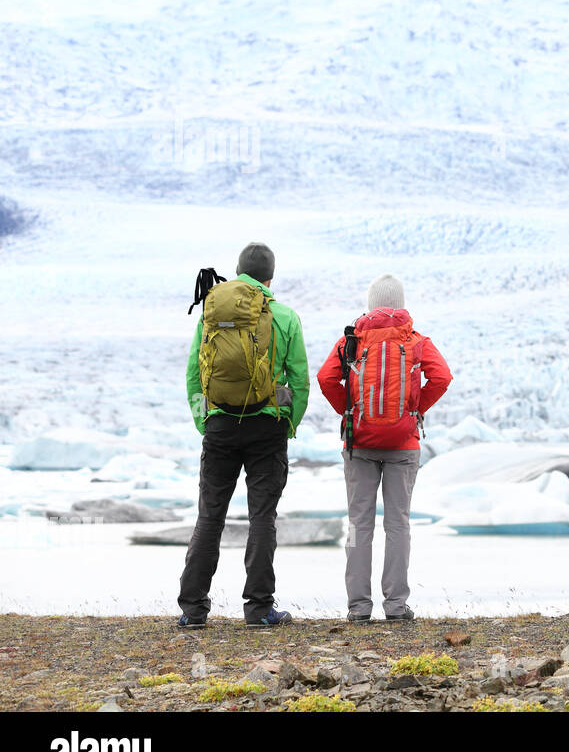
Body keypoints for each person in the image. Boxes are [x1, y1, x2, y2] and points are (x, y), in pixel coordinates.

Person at [178, 242, 309, 629]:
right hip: (266, 428)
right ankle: (258, 610)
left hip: (219, 425)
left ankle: (193, 609)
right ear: (271, 277)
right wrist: (287, 424)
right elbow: (299, 381)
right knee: (262, 518)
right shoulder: (284, 316)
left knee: (210, 517)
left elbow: (192, 376)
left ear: (238, 272)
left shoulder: (211, 314)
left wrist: (206, 421)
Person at [316, 274, 452, 622]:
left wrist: (349, 413)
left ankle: (359, 608)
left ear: (371, 304)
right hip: (404, 444)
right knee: (398, 524)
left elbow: (326, 378)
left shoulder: (352, 340)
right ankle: (395, 606)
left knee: (359, 524)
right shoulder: (417, 340)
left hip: (359, 441)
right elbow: (442, 377)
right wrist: (415, 410)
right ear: (401, 304)